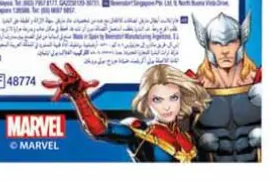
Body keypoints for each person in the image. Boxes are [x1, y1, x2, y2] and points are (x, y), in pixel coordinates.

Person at [43, 62, 209, 162]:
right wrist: (80, 98)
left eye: (173, 98)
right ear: (146, 100)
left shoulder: (188, 135)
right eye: (158, 99)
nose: (167, 107)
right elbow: (100, 130)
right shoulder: (140, 131)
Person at [187, 12, 262, 162]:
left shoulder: (260, 79)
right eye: (216, 43)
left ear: (241, 41)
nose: (225, 50)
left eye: (231, 42)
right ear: (206, 44)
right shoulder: (192, 85)